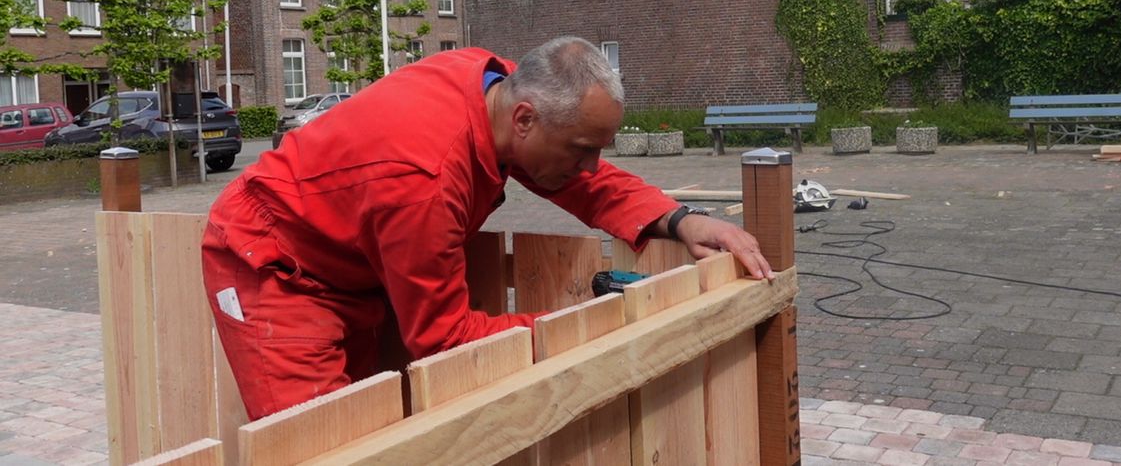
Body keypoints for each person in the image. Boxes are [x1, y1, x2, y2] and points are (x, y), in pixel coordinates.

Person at [201, 36, 773, 420]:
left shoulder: (495, 87)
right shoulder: (424, 178)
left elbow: (578, 179)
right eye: (582, 149)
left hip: (345, 259)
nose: (590, 166)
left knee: (364, 426)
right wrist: (586, 327)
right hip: (274, 268)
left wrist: (680, 219)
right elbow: (444, 340)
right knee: (319, 440)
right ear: (524, 118)